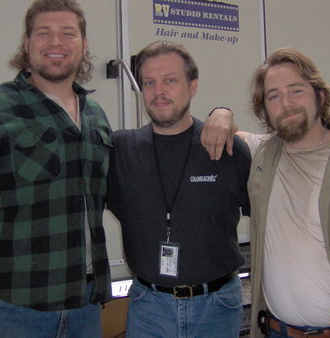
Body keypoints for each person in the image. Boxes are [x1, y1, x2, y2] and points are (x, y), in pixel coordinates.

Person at [0, 0, 113, 337]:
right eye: (44, 33)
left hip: (85, 306)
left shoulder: (95, 116)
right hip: (13, 311)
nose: (56, 43)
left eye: (67, 34)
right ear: (27, 43)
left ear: (84, 45)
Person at [202, 47, 330, 337]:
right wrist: (221, 112)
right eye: (273, 96)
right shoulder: (261, 153)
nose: (286, 104)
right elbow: (225, 132)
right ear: (264, 110)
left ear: (320, 96)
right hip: (277, 330)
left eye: (296, 91)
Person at [106, 40, 251, 337]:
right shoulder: (120, 150)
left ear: (193, 86)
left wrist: (223, 111)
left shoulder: (229, 150)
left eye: (170, 80)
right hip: (149, 309)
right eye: (149, 82)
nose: (159, 92)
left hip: (217, 307)